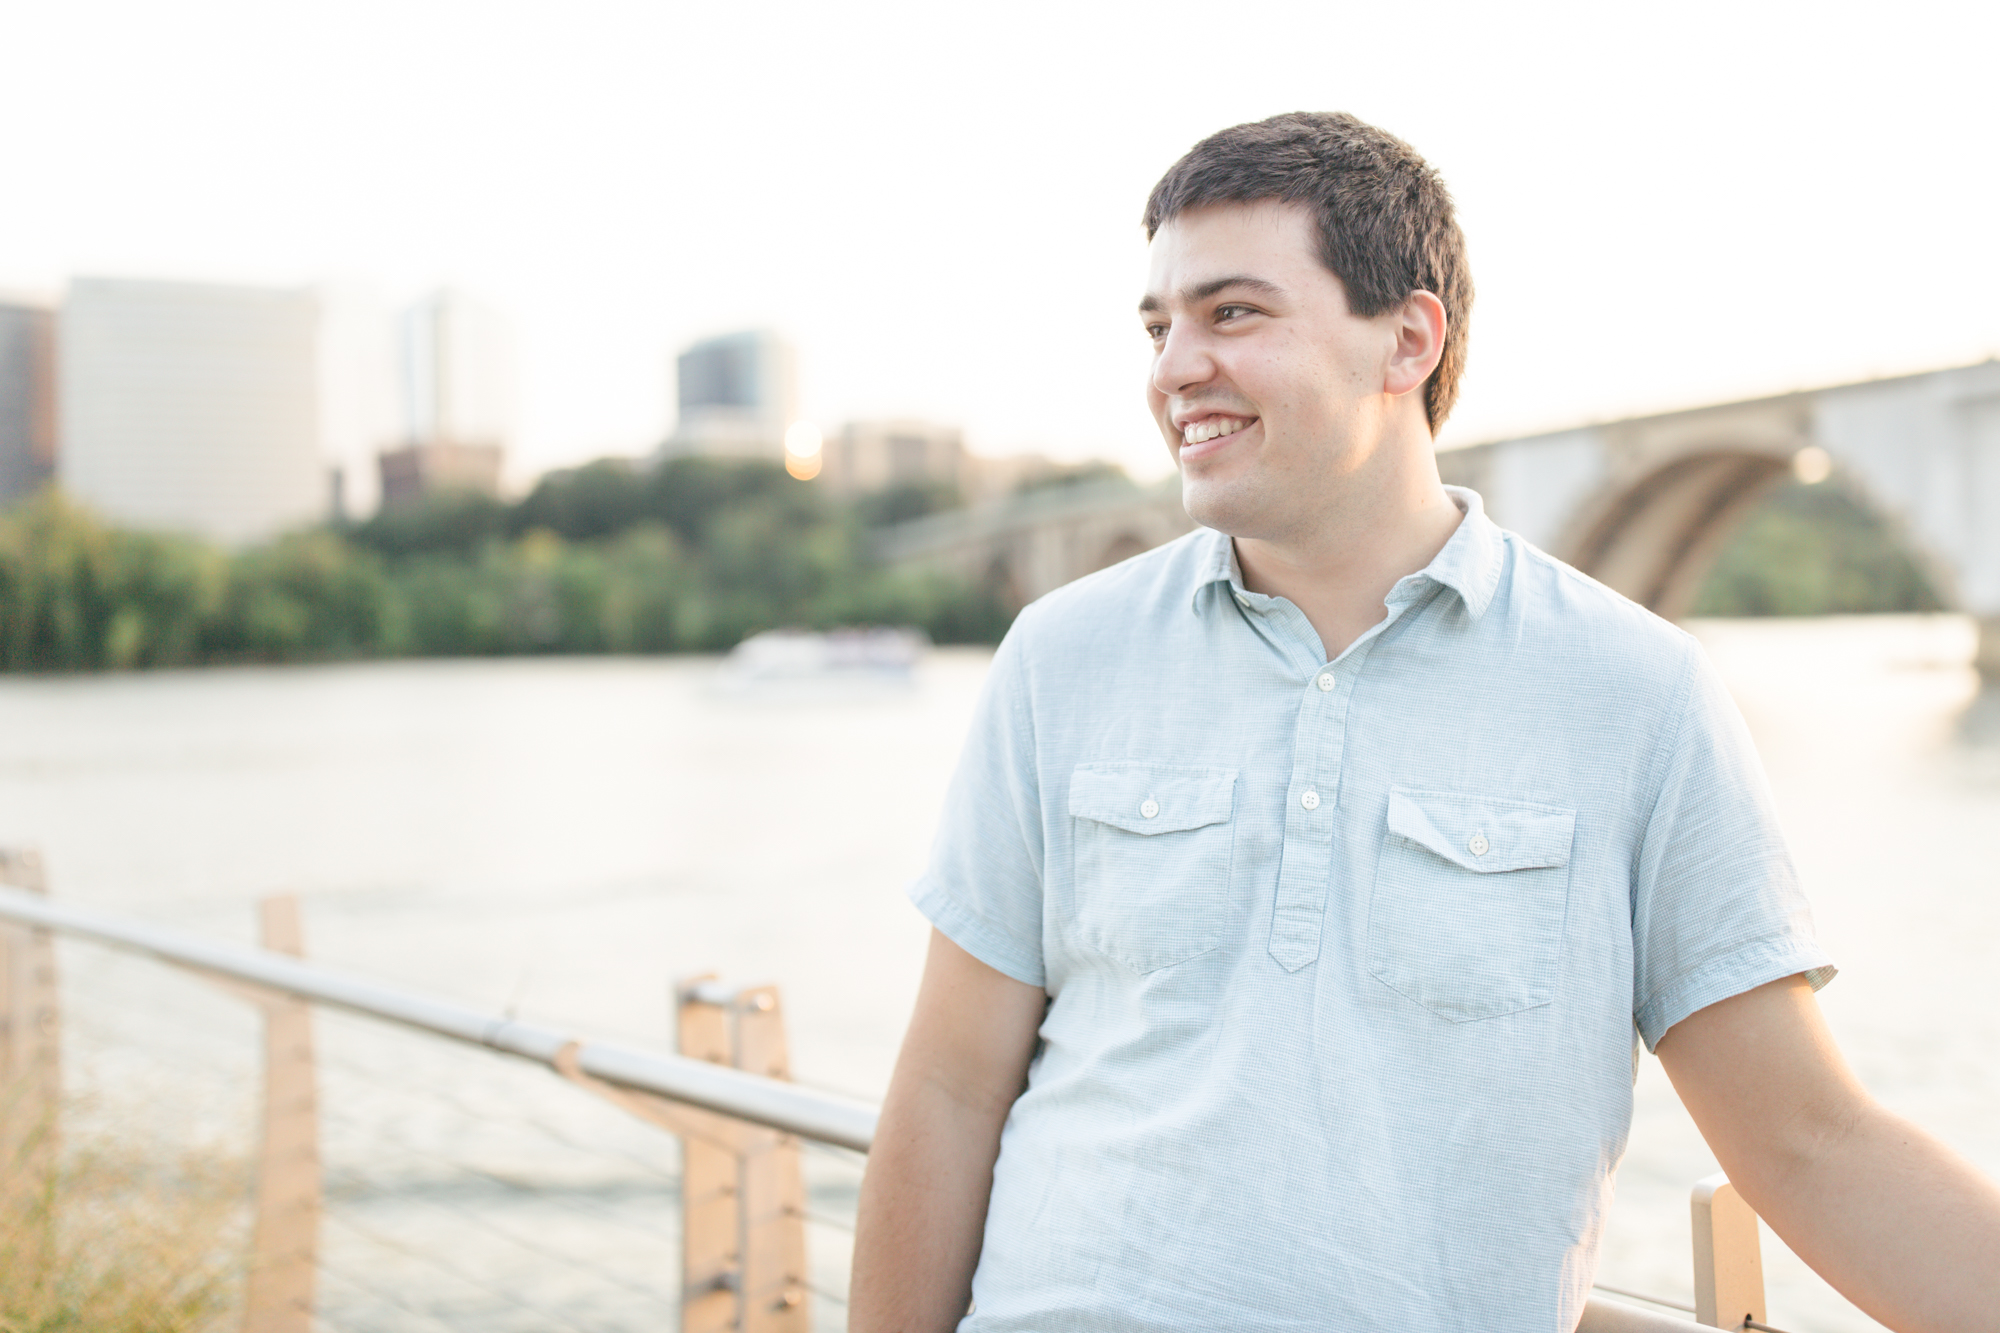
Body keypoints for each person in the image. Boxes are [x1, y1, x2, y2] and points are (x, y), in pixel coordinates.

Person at [849, 112, 2000, 1331]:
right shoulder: (1059, 656)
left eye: (1231, 313)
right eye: (1157, 324)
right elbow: (947, 1090)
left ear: (1406, 339)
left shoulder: (1633, 695)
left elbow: (1811, 1141)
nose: (1173, 365)